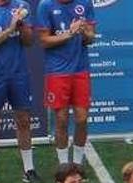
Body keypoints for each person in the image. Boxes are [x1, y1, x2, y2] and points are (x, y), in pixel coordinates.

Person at [0, 0, 39, 183]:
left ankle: (29, 169)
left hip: (19, 74)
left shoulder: (21, 5)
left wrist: (21, 25)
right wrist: (10, 29)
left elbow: (29, 41)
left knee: (24, 120)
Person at [36, 0, 96, 167]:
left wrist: (84, 33)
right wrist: (70, 33)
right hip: (57, 71)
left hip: (80, 69)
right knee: (61, 119)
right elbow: (43, 41)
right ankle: (63, 165)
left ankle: (77, 164)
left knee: (82, 118)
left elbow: (91, 39)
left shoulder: (85, 3)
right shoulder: (45, 5)